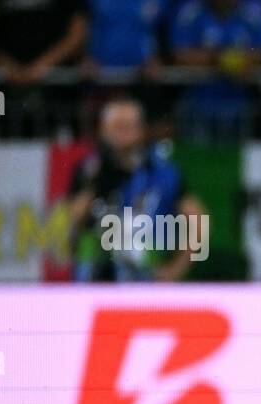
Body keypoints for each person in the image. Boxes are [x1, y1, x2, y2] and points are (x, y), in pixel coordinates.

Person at [64, 97, 205, 282]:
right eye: (118, 127)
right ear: (103, 130)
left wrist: (176, 268)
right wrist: (97, 182)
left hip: (143, 279)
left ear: (141, 130)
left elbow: (199, 220)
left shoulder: (161, 171)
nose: (124, 134)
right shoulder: (88, 169)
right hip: (93, 276)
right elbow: (69, 222)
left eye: (130, 126)